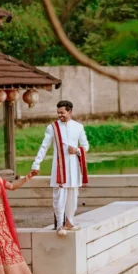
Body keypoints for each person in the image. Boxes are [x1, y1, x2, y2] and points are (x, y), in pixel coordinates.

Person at [29, 100, 89, 236]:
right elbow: (44, 146)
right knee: (59, 197)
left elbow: (86, 146)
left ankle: (69, 222)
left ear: (70, 111)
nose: (59, 115)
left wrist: (77, 150)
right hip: (59, 168)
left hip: (74, 168)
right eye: (58, 113)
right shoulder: (52, 127)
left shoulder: (78, 127)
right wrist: (36, 163)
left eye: (62, 113)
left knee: (73, 196)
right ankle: (60, 224)